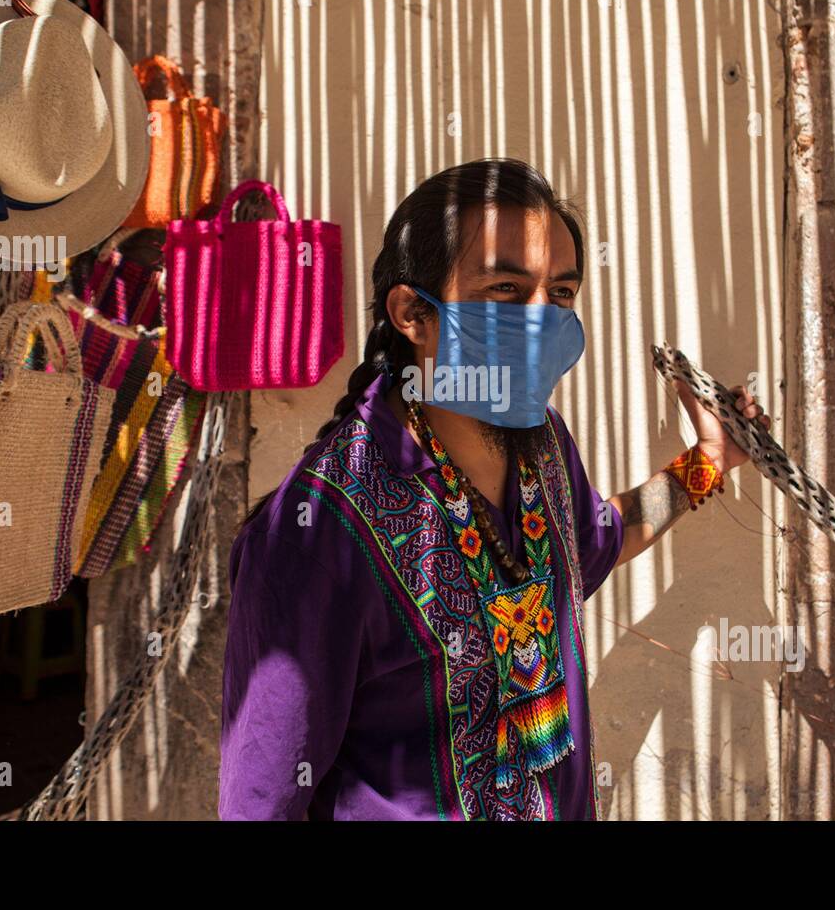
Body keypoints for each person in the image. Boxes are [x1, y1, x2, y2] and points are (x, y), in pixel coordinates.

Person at [219, 158, 769, 820]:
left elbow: (595, 541)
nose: (541, 322)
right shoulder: (320, 531)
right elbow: (262, 799)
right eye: (507, 289)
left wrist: (708, 461)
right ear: (413, 314)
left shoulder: (543, 449)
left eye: (560, 295)